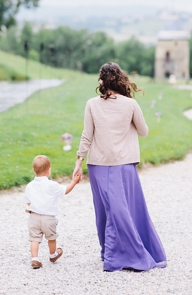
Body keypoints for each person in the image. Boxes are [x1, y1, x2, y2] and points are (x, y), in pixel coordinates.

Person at [73, 62, 167, 271]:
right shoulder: (130, 104)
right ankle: (116, 253)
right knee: (126, 209)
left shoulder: (92, 103)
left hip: (98, 165)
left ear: (101, 82)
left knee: (106, 211)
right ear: (120, 80)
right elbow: (144, 131)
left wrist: (79, 160)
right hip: (123, 165)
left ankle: (111, 253)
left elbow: (87, 135)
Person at [23, 155, 81, 269]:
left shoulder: (29, 186)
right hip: (48, 218)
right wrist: (74, 181)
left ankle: (35, 259)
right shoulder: (52, 185)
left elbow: (28, 202)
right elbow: (66, 191)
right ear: (49, 171)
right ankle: (53, 254)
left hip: (33, 217)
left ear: (34, 170)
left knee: (34, 239)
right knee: (51, 237)